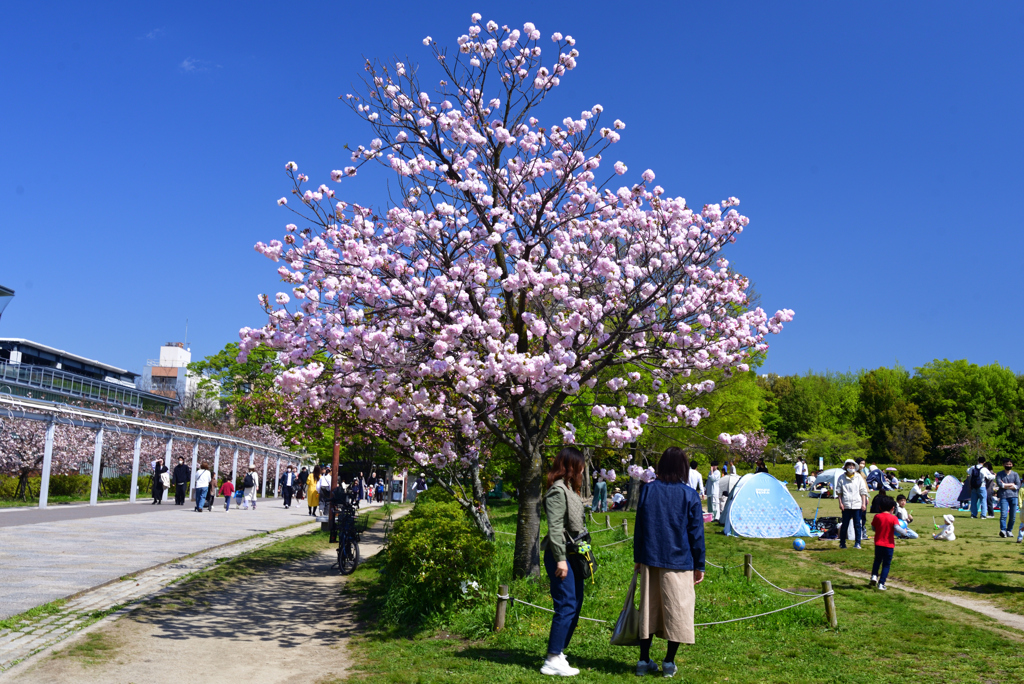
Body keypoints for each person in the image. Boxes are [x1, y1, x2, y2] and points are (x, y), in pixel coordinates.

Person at [633, 446, 705, 678]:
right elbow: (696, 533)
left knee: (649, 611)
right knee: (678, 611)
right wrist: (699, 564)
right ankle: (668, 662)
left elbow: (639, 528)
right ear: (683, 467)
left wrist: (637, 557)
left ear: (662, 466)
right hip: (680, 560)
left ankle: (643, 660)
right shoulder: (690, 494)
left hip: (651, 559)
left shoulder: (647, 490)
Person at [538, 446, 588, 677]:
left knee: (575, 604)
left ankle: (559, 652)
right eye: (581, 463)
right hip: (562, 556)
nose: (584, 467)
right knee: (566, 605)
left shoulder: (570, 488)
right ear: (572, 465)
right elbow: (555, 528)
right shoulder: (557, 491)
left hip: (574, 554)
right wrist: (560, 561)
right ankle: (552, 659)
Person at [837, 458, 869, 549]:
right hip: (846, 504)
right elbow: (839, 492)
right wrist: (840, 503)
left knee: (857, 524)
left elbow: (863, 491)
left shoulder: (858, 477)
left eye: (852, 465)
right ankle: (842, 543)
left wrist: (863, 504)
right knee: (845, 524)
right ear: (846, 466)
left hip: (857, 504)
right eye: (849, 465)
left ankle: (857, 543)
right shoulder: (841, 478)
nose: (851, 467)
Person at [869, 494, 899, 591]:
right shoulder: (893, 518)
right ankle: (881, 583)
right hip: (889, 545)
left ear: (880, 507)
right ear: (893, 508)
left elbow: (873, 528)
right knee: (886, 564)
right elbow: (897, 528)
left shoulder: (877, 516)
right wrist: (904, 532)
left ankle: (874, 576)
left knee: (877, 561)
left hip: (878, 543)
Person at [997, 459, 1021, 538]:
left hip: (1014, 496)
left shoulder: (1015, 474)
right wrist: (1011, 484)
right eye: (1007, 464)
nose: (1009, 465)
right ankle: (1003, 530)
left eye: (1010, 464)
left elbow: (1017, 485)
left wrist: (1005, 485)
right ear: (1003, 464)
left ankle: (1009, 530)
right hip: (1004, 496)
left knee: (1013, 516)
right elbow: (1000, 485)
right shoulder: (999, 474)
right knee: (1003, 514)